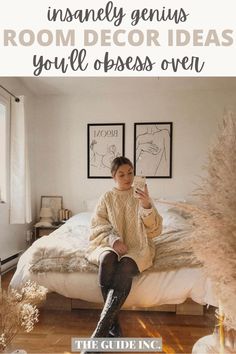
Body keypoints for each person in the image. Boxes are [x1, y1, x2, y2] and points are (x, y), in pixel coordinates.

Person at [82, 156, 162, 353]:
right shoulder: (107, 197)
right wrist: (114, 241)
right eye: (122, 174)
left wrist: (146, 206)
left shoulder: (141, 197)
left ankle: (99, 334)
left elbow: (155, 231)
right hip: (109, 242)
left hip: (138, 245)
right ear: (113, 176)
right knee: (107, 259)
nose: (127, 177)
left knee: (126, 265)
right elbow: (97, 225)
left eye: (130, 173)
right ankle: (113, 325)